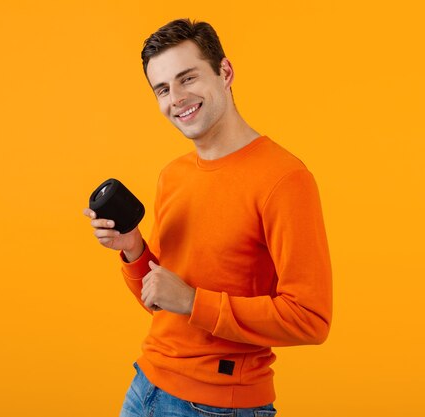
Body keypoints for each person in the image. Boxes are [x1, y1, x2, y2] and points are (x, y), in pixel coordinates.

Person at [83, 18, 332, 417]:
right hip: (144, 387)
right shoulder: (173, 175)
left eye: (188, 78)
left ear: (225, 72)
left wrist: (193, 301)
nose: (176, 98)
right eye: (162, 89)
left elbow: (310, 319)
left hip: (218, 406)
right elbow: (164, 303)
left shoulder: (285, 179)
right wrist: (132, 250)